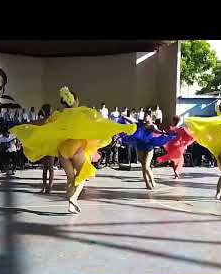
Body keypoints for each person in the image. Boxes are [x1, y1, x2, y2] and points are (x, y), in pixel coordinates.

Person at [10, 86, 136, 214]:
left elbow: (42, 123)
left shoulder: (59, 115)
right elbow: (102, 122)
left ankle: (70, 201)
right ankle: (73, 199)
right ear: (75, 101)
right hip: (76, 147)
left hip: (62, 149)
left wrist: (22, 126)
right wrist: (123, 127)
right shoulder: (83, 112)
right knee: (83, 174)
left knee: (71, 178)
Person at [121, 110, 174, 189]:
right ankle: (147, 183)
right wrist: (124, 117)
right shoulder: (140, 124)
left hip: (149, 147)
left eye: (146, 116)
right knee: (143, 166)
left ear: (150, 117)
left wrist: (163, 133)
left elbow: (157, 131)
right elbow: (132, 121)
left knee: (146, 166)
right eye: (144, 115)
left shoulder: (152, 126)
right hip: (140, 146)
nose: (145, 117)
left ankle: (152, 180)